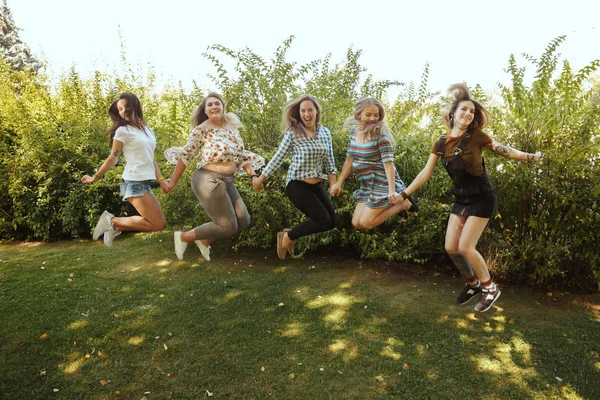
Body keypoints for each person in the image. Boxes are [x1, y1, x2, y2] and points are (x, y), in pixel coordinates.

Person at [397, 83, 543, 312]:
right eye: (464, 109)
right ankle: (473, 284)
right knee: (451, 247)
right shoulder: (441, 142)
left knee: (466, 246)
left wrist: (532, 157)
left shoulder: (477, 136)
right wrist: (404, 193)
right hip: (461, 200)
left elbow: (505, 150)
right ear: (452, 114)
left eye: (472, 111)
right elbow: (426, 173)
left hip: (482, 197)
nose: (468, 114)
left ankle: (490, 288)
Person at [162, 92, 264, 261]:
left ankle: (205, 241)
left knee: (243, 220)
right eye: (209, 105)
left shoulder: (232, 128)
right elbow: (186, 156)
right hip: (207, 179)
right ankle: (183, 237)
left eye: (217, 103)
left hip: (227, 180)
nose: (214, 106)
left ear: (223, 106)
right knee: (227, 226)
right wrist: (172, 181)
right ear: (205, 110)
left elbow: (242, 155)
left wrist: (253, 175)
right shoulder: (201, 130)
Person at [252, 94, 337, 260]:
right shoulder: (293, 133)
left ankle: (288, 234)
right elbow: (278, 158)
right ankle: (288, 237)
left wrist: (333, 184)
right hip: (297, 185)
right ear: (298, 113)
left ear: (317, 111)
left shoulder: (325, 132)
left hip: (316, 186)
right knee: (323, 220)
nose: (307, 114)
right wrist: (260, 180)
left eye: (310, 110)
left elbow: (330, 160)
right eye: (303, 111)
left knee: (332, 222)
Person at [82, 92, 168, 247]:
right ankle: (112, 221)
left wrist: (161, 179)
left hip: (144, 182)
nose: (123, 111)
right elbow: (112, 158)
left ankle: (114, 225)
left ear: (135, 104)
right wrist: (95, 177)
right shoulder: (123, 131)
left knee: (159, 223)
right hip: (133, 182)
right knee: (157, 224)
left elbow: (151, 157)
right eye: (120, 109)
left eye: (125, 106)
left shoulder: (148, 130)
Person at [329, 97, 417, 229]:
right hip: (368, 185)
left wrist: (391, 191)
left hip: (383, 184)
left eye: (376, 115)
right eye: (368, 115)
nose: (373, 119)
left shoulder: (380, 137)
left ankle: (403, 205)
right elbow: (349, 160)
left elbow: (389, 165)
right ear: (358, 115)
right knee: (356, 223)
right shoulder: (354, 134)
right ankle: (401, 206)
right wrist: (339, 183)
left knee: (366, 223)